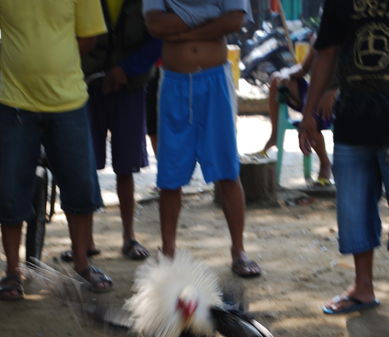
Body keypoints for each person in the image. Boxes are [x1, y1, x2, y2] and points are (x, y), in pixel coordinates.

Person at [0, 0, 113, 300]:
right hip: (13, 102)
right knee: (9, 191)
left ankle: (82, 264)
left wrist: (55, 62)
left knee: (81, 186)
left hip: (69, 102)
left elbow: (88, 37)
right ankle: (13, 273)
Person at [143, 0, 261, 277]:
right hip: (174, 82)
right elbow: (155, 25)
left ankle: (239, 251)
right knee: (170, 175)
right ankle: (168, 250)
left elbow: (235, 20)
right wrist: (210, 19)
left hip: (215, 81)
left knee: (228, 171)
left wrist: (181, 30)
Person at [299, 0, 389, 315]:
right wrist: (309, 114)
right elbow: (327, 54)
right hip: (353, 118)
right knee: (353, 208)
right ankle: (362, 288)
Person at [60, 0, 162, 264]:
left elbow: (158, 39)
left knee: (126, 165)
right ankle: (86, 240)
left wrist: (126, 69)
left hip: (132, 83)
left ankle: (129, 236)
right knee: (86, 162)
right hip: (86, 83)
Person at [259, 38, 337, 186]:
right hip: (314, 92)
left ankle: (324, 163)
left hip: (340, 95)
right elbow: (302, 69)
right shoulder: (321, 37)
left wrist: (331, 92)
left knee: (313, 114)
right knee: (277, 79)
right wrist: (286, 73)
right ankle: (275, 135)